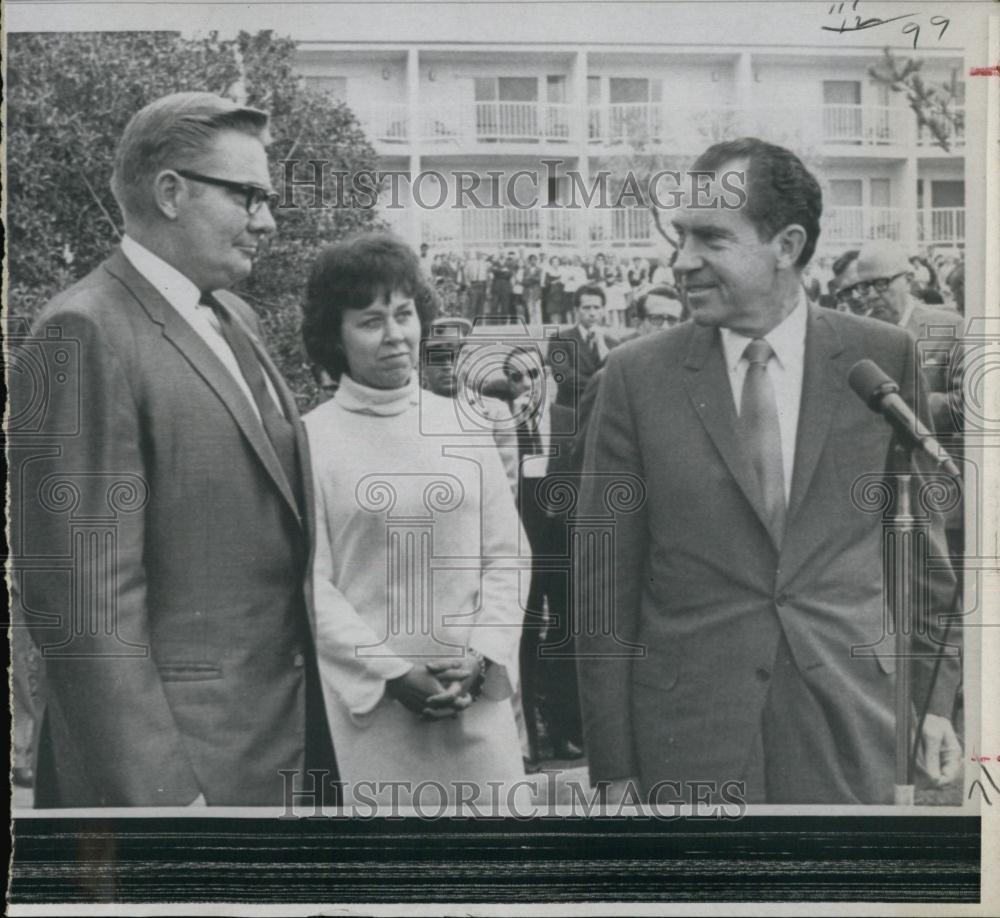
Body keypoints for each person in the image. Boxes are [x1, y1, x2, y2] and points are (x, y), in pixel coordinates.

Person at [576, 137, 962, 805]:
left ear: (786, 245)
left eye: (711, 240)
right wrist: (613, 769)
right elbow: (602, 588)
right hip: (688, 735)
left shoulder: (879, 359)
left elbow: (918, 558)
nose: (681, 262)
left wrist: (933, 699)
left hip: (849, 725)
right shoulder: (635, 380)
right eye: (680, 238)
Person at [9, 92, 337, 807]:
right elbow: (84, 607)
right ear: (169, 192)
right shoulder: (82, 333)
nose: (267, 220)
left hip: (276, 753)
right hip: (179, 784)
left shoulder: (234, 318)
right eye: (247, 195)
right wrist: (166, 804)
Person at [301, 233, 526, 806]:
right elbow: (313, 585)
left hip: (475, 709)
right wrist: (392, 673)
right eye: (370, 321)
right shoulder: (309, 440)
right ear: (336, 335)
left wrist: (483, 656)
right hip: (374, 715)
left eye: (404, 314)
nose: (395, 335)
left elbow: (508, 555)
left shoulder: (466, 425)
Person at [501, 345, 583, 764]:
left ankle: (566, 729)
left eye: (533, 374)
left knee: (568, 635)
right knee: (526, 637)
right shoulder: (503, 426)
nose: (527, 384)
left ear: (548, 377)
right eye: (516, 377)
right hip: (523, 547)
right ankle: (527, 739)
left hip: (565, 546)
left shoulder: (571, 419)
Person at [550, 284, 620, 410]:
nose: (592, 313)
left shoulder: (612, 343)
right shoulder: (560, 340)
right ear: (576, 310)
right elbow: (564, 377)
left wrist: (601, 344)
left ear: (603, 310)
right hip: (571, 411)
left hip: (602, 413)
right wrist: (604, 386)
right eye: (586, 308)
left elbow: (615, 375)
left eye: (596, 307)